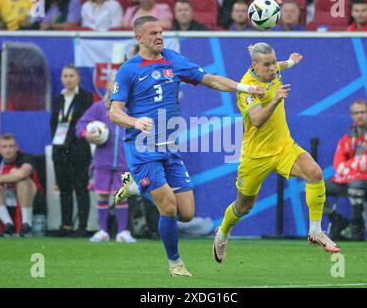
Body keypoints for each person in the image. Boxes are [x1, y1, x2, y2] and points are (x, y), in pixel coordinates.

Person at [109, 16, 263, 276]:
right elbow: (114, 112)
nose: (159, 36)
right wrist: (135, 122)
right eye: (152, 33)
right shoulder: (128, 69)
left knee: (186, 213)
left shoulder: (173, 60)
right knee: (167, 206)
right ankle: (175, 264)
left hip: (169, 146)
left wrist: (245, 86)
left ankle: (135, 187)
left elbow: (210, 79)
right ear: (139, 38)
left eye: (160, 32)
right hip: (142, 148)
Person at [212, 42, 341, 265]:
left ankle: (315, 231)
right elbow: (257, 120)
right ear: (254, 65)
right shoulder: (247, 87)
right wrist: (275, 99)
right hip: (256, 156)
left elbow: (279, 64)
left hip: (283, 147)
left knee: (315, 173)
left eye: (274, 62)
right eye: (267, 65)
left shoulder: (273, 69)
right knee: (243, 206)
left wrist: (290, 61)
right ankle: (222, 233)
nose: (273, 68)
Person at [76, 76, 137, 243]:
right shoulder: (98, 108)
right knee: (102, 195)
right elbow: (80, 126)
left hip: (124, 162)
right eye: (113, 82)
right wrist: (86, 134)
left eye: (120, 82)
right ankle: (102, 231)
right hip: (102, 161)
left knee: (122, 196)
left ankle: (123, 232)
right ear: (108, 86)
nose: (117, 85)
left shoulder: (133, 108)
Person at [325, 100, 367, 241]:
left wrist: (349, 165)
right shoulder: (345, 140)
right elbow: (338, 166)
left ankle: (357, 228)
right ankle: (337, 220)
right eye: (356, 113)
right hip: (346, 181)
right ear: (352, 116)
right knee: (315, 188)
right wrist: (355, 167)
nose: (359, 116)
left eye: (362, 112)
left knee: (355, 185)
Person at [51, 64, 93, 237]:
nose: (68, 79)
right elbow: (53, 123)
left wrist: (68, 141)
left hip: (78, 149)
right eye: (65, 76)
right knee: (64, 188)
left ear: (78, 78)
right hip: (59, 150)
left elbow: (82, 123)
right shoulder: (57, 98)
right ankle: (66, 224)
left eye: (71, 76)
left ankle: (82, 226)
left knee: (81, 188)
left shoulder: (85, 97)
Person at [0, 133, 42, 237]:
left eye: (11, 146)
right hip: (6, 195)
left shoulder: (26, 157)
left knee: (23, 182)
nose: (8, 150)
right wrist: (11, 176)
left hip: (30, 196)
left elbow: (22, 174)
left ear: (17, 147)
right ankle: (8, 224)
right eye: (4, 147)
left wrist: (1, 178)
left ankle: (26, 225)